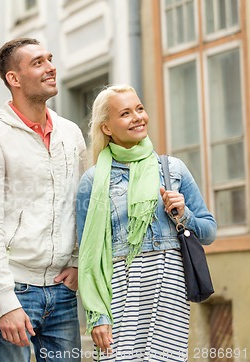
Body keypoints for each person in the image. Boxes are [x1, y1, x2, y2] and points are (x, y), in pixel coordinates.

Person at [76, 84, 217, 361]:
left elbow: (209, 231)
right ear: (106, 128)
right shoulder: (92, 181)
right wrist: (98, 316)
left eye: (139, 109)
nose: (138, 117)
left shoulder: (172, 169)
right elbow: (88, 255)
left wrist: (183, 213)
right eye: (126, 113)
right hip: (120, 291)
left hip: (169, 287)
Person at [0, 38, 87, 361]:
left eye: (50, 59)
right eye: (38, 62)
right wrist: (5, 301)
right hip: (16, 288)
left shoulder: (70, 133)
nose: (51, 67)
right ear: (14, 78)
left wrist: (76, 260)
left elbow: (78, 204)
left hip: (63, 289)